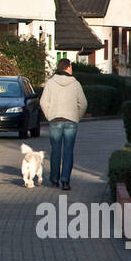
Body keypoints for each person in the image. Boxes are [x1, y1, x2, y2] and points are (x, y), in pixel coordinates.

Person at [38, 57, 88, 191]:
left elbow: (43, 102)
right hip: (71, 121)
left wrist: (50, 116)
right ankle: (65, 181)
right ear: (67, 67)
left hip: (55, 120)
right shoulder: (76, 84)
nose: (72, 69)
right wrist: (76, 117)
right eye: (71, 66)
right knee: (68, 151)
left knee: (55, 151)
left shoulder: (50, 83)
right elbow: (83, 103)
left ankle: (54, 180)